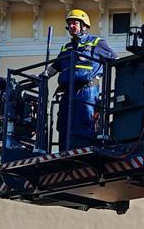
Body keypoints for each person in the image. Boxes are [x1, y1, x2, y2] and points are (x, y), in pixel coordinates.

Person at [48, 9, 116, 150]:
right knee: (64, 124)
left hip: (87, 91)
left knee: (85, 121)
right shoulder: (66, 47)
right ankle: (65, 151)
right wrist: (42, 75)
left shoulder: (97, 42)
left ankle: (86, 149)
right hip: (68, 93)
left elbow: (114, 59)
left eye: (75, 23)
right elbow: (55, 67)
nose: (71, 26)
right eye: (70, 24)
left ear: (84, 25)